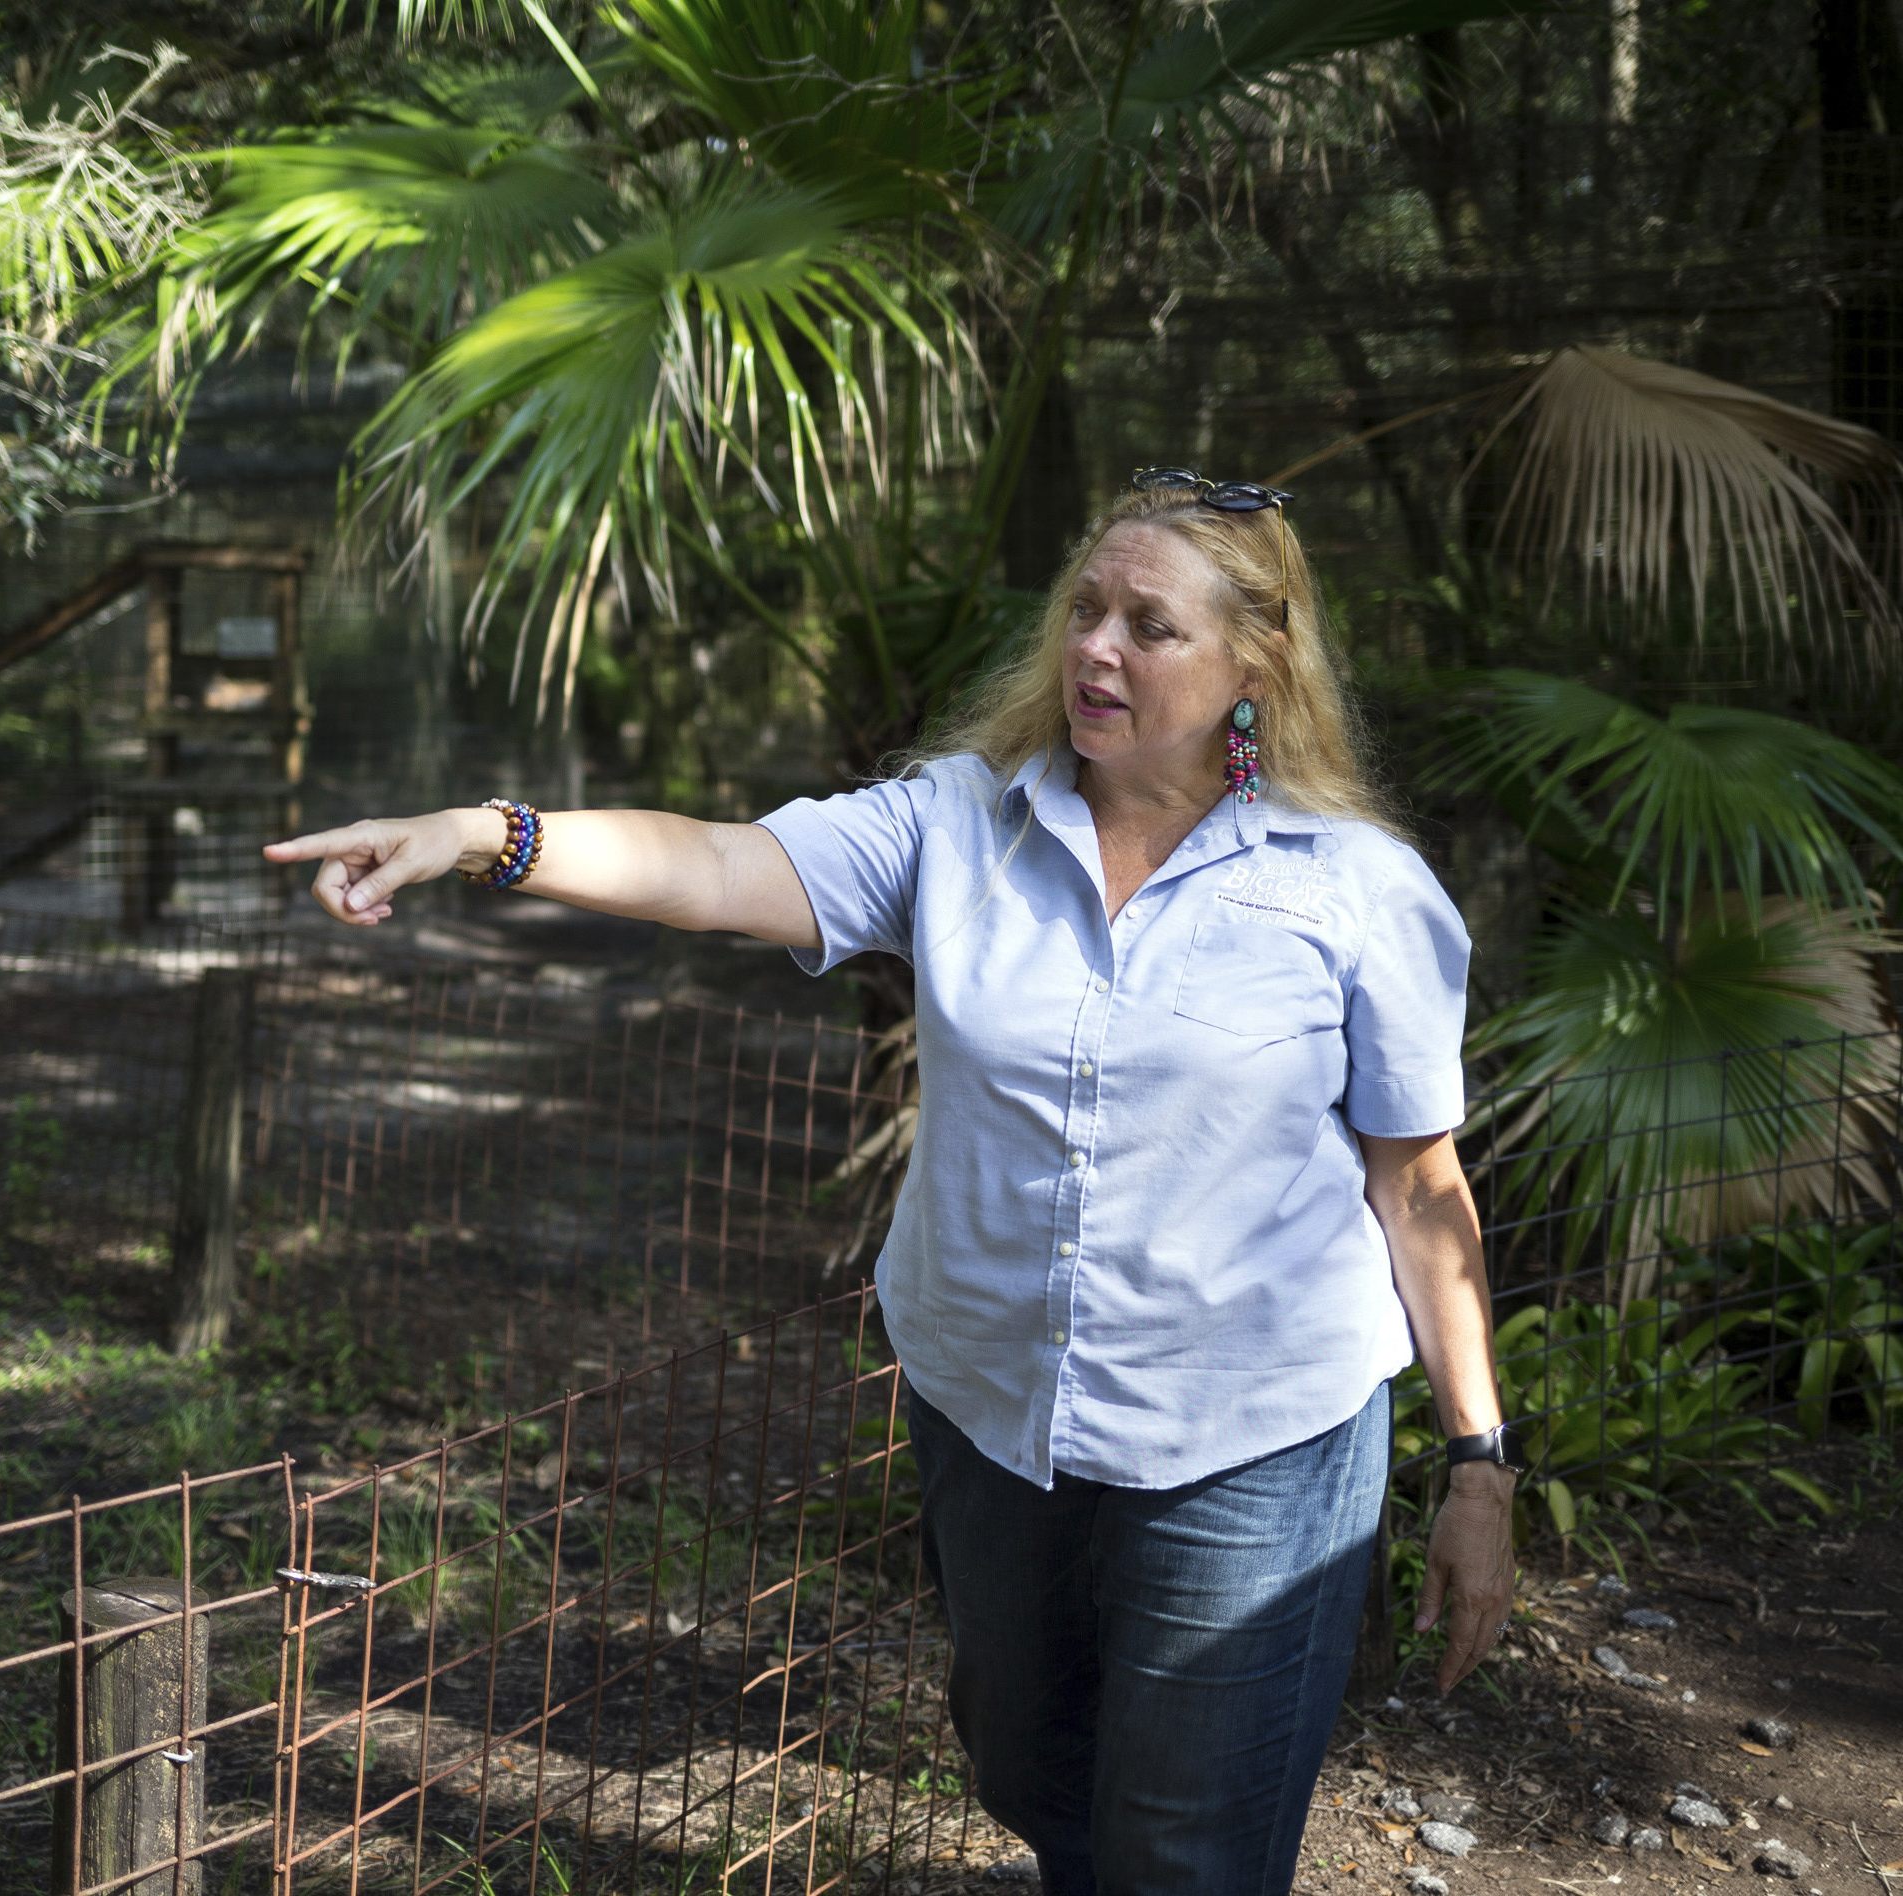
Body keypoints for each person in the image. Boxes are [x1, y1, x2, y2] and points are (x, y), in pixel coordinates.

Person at [263, 471, 1520, 1895]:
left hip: (1249, 1443)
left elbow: (1421, 1193)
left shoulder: (1356, 889)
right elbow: (718, 864)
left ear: (1255, 666)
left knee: (1189, 1850)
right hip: (994, 1419)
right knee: (1033, 1775)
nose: (1095, 648)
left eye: (1149, 627)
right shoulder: (957, 826)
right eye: (1086, 610)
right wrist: (489, 834)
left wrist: (1478, 1463)